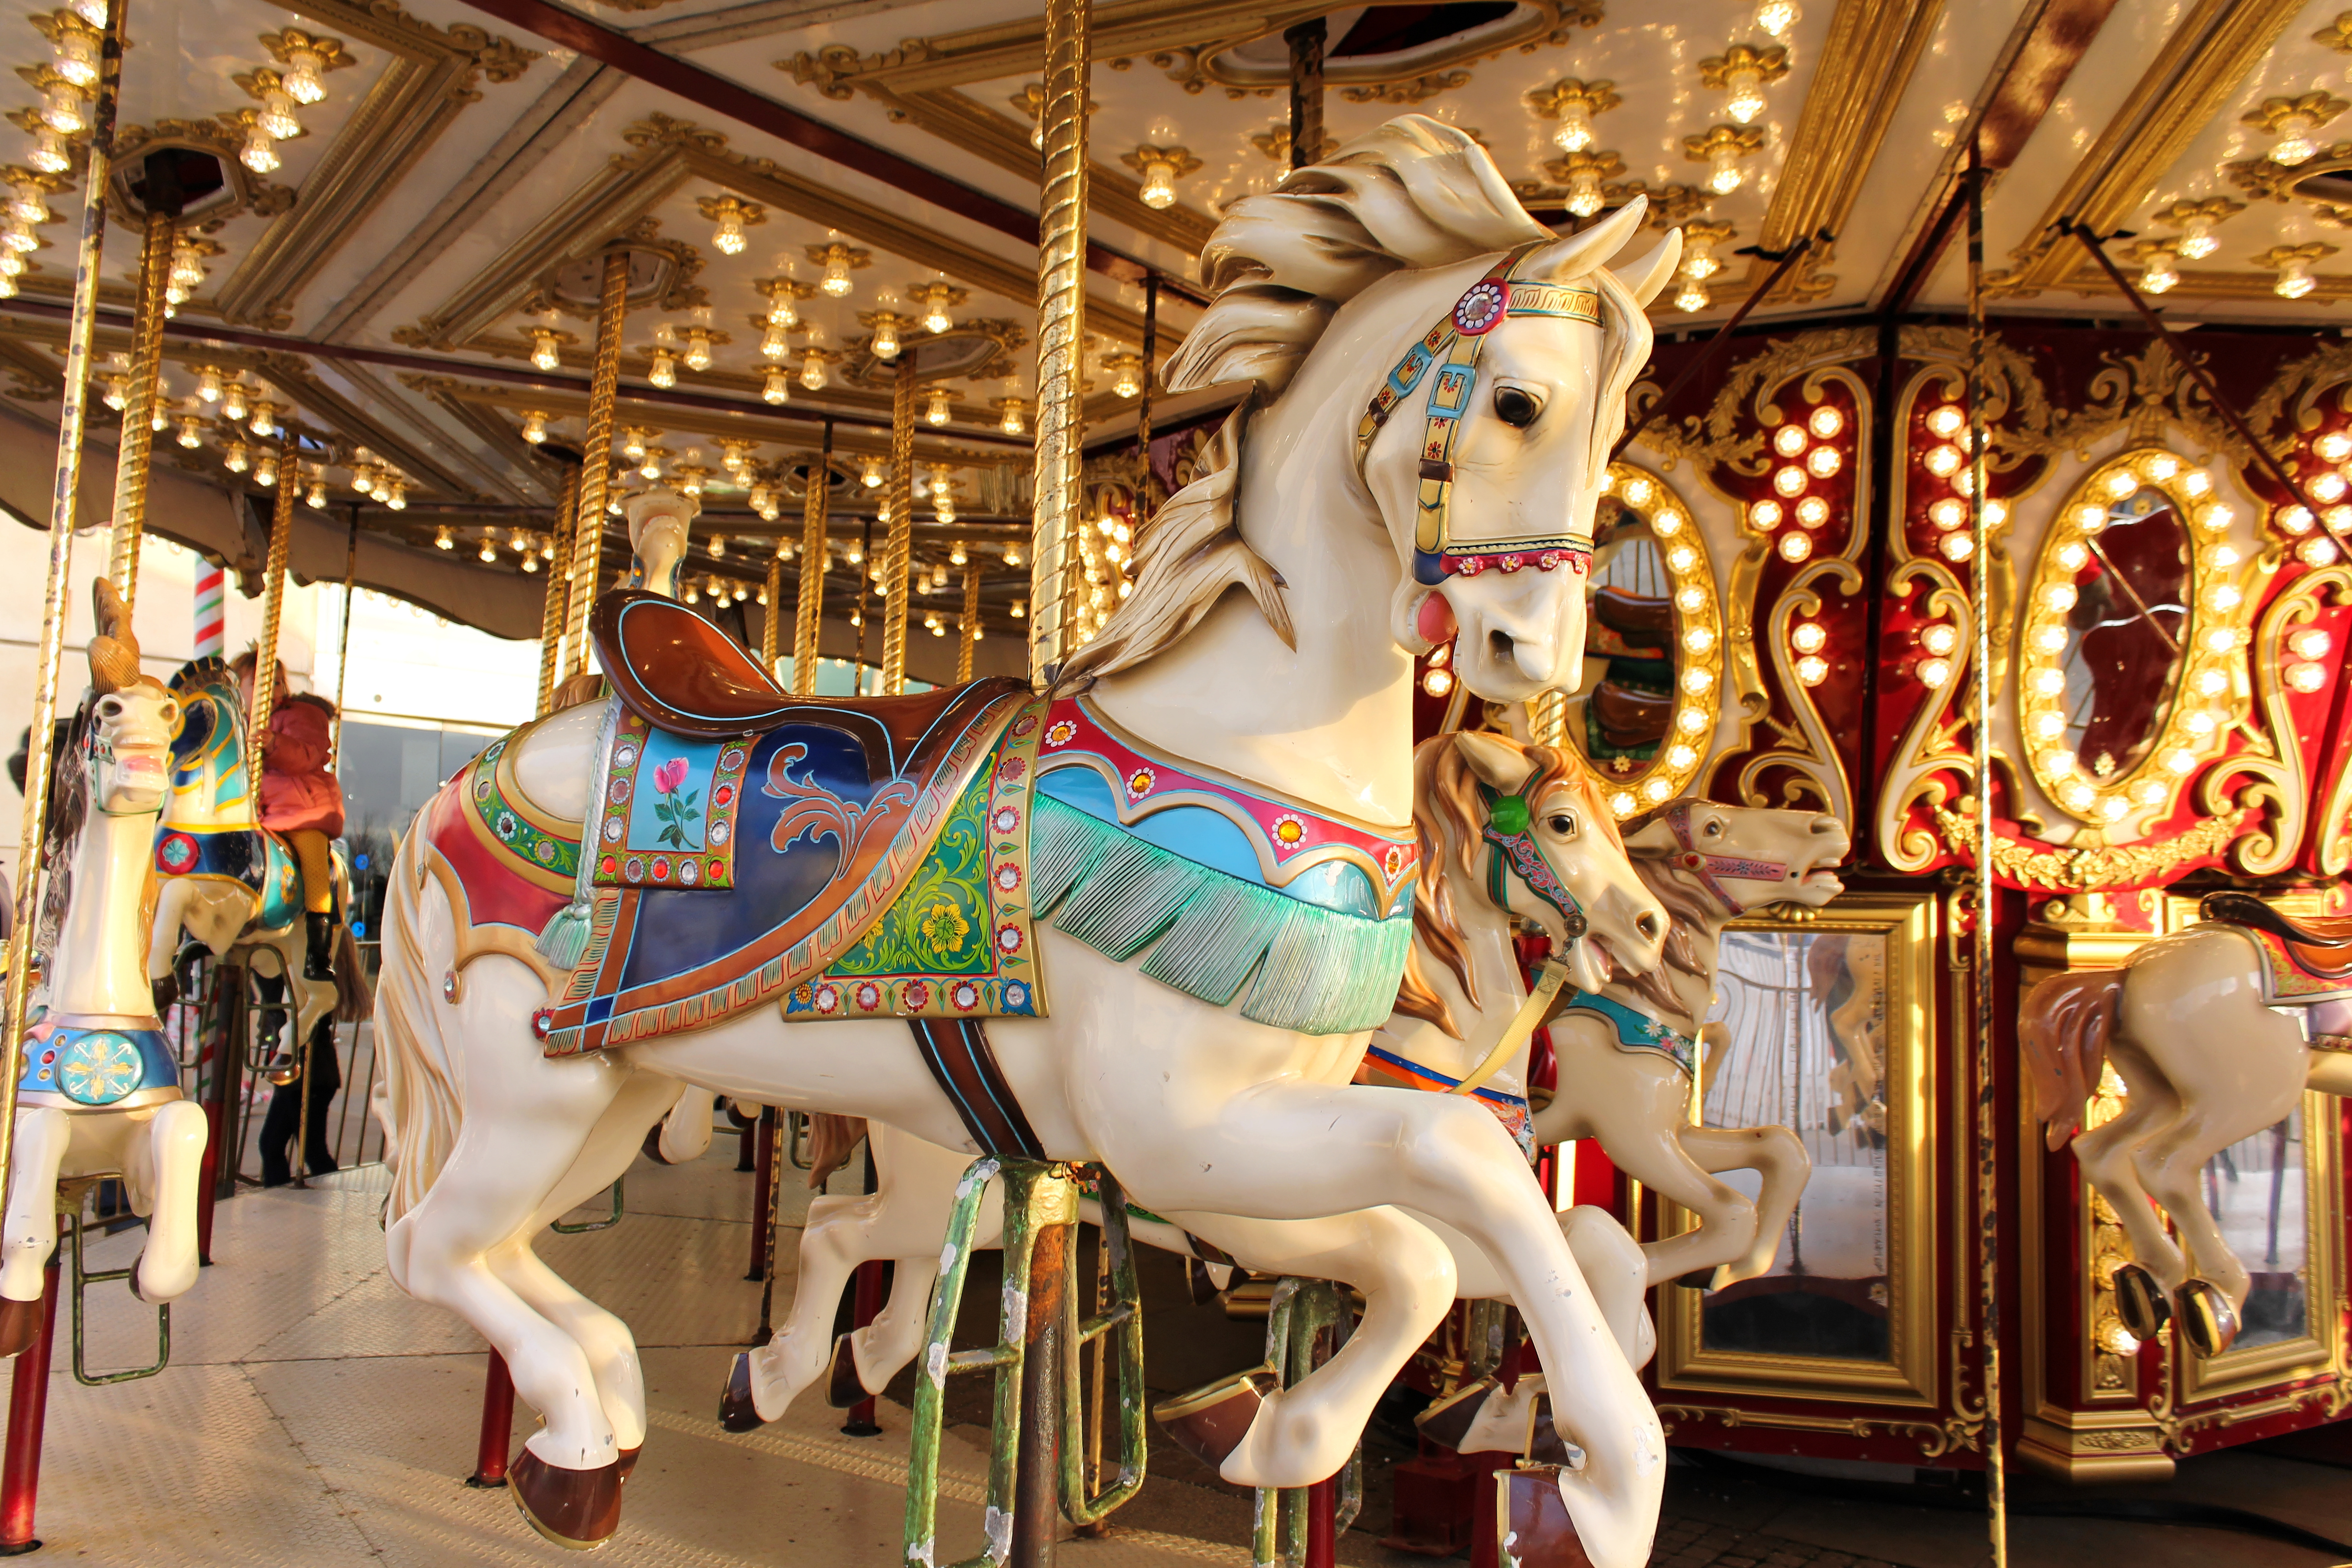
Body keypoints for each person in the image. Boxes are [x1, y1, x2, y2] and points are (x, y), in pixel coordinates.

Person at [230, 650, 343, 982]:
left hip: (300, 810)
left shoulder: (303, 715)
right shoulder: (237, 720)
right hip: (256, 815)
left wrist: (274, 743)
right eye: (262, 682)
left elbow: (306, 754)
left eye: (278, 681)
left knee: (312, 857)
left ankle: (318, 951)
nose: (274, 688)